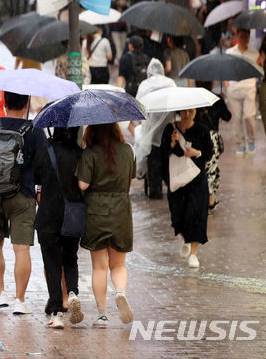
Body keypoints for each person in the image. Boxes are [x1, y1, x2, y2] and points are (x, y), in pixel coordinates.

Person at [0, 92, 45, 315]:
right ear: (27, 102)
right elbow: (42, 164)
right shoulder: (35, 130)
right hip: (23, 194)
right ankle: (20, 299)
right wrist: (38, 189)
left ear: (5, 102)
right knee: (21, 248)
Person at [76, 123, 135, 328]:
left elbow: (83, 184)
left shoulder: (90, 153)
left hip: (96, 212)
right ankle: (120, 292)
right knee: (118, 264)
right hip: (121, 212)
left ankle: (102, 315)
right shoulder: (127, 150)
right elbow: (130, 182)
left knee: (99, 267)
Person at [34, 127, 84, 328]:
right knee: (71, 259)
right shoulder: (80, 153)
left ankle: (57, 313)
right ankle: (71, 292)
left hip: (48, 215)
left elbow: (36, 180)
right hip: (72, 215)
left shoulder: (45, 151)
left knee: (52, 264)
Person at [160, 109, 213, 268]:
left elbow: (209, 153)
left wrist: (197, 152)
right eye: (185, 112)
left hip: (197, 179)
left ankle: (194, 254)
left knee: (196, 214)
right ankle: (186, 239)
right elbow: (162, 153)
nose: (188, 114)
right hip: (176, 180)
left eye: (191, 111)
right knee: (178, 216)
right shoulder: (170, 129)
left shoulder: (202, 129)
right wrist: (172, 143)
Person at [134, 59, 176, 199]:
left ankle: (155, 189)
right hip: (168, 128)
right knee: (168, 157)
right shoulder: (170, 83)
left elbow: (138, 107)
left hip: (151, 129)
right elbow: (177, 105)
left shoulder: (144, 85)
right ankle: (172, 186)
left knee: (154, 158)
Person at [224, 29, 259, 154]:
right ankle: (240, 142)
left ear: (249, 38)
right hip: (233, 87)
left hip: (249, 87)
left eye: (246, 36)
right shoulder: (230, 52)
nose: (244, 38)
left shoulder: (254, 54)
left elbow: (260, 69)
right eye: (241, 36)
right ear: (238, 37)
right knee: (236, 117)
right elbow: (225, 68)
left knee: (249, 116)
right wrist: (226, 84)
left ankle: (251, 140)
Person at [196, 99, 231, 210]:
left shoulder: (192, 100)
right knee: (211, 169)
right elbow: (227, 117)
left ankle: (202, 199)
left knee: (198, 168)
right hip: (211, 137)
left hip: (194, 136)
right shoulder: (216, 99)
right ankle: (209, 199)